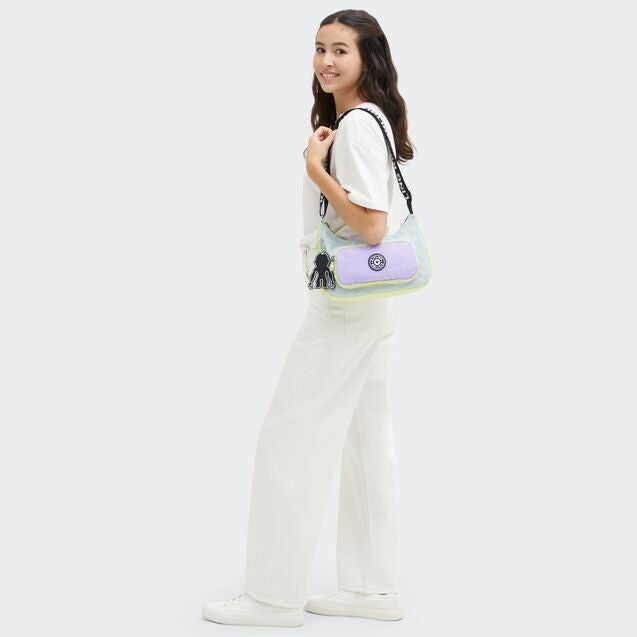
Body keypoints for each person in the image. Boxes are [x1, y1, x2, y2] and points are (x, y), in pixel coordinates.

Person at [202, 9, 416, 627]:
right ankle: (373, 589)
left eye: (340, 50)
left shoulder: (356, 127)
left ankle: (272, 598)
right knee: (364, 441)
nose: (325, 61)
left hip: (345, 307)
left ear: (368, 58)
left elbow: (371, 225)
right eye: (320, 48)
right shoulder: (367, 119)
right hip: (373, 302)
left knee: (287, 440)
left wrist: (316, 170)